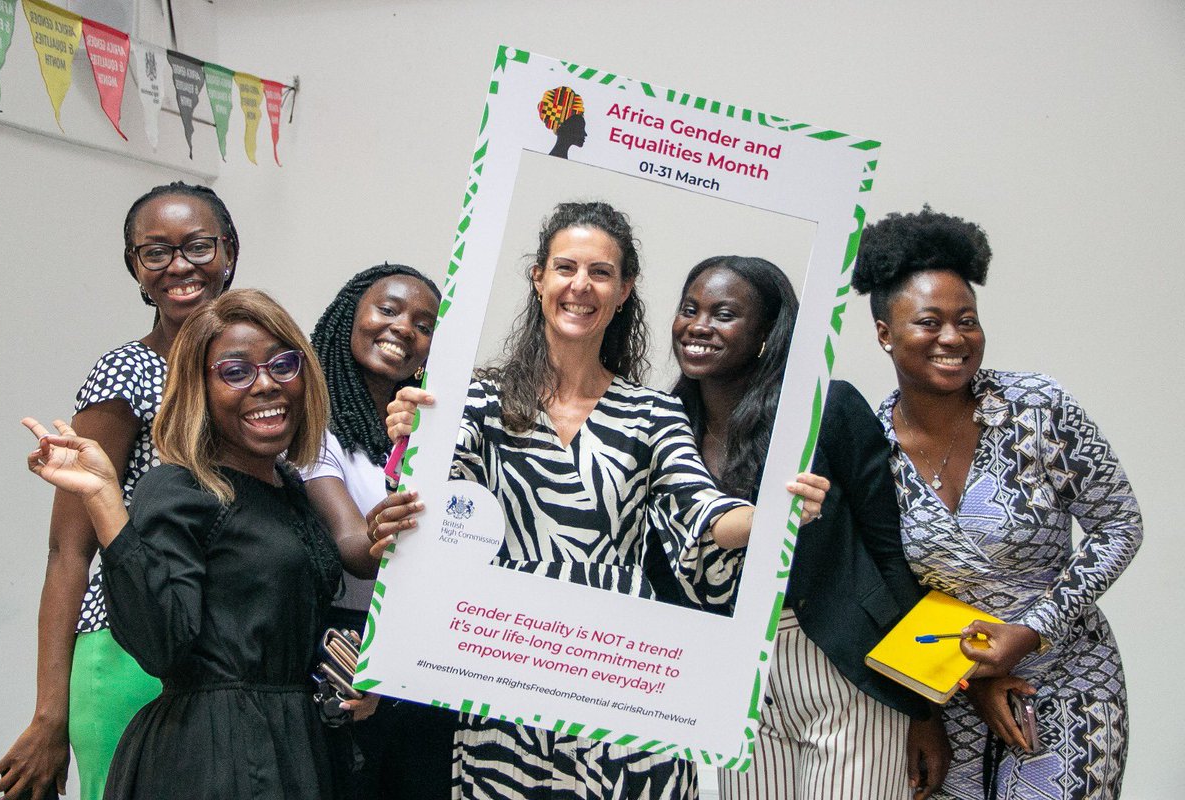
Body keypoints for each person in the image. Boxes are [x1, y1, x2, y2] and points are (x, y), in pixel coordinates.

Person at [376, 202, 829, 799]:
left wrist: (774, 516)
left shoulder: (654, 412)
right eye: (565, 267)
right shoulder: (476, 401)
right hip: (503, 660)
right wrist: (411, 435)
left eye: (601, 273)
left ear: (624, 290)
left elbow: (703, 513)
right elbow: (421, 503)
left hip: (619, 675)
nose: (580, 286)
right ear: (537, 278)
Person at [851, 207, 1142, 800]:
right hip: (948, 695)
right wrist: (937, 701)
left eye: (967, 321)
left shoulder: (1038, 407)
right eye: (929, 322)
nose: (954, 338)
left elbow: (1120, 527)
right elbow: (887, 588)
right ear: (884, 332)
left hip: (1067, 682)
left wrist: (1032, 631)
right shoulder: (869, 445)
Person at [20, 289, 343, 799]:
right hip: (211, 756)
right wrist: (105, 499)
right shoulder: (181, 488)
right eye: (235, 372)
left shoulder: (290, 489)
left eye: (283, 364)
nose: (266, 384)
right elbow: (161, 644)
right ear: (200, 390)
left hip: (290, 741)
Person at [0, 183, 239, 800]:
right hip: (131, 646)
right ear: (135, 267)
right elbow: (68, 552)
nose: (179, 265)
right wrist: (50, 715)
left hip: (235, 649)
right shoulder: (126, 373)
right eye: (155, 252)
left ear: (229, 252)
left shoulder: (265, 371)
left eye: (198, 246)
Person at [669, 255, 946, 800]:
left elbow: (891, 555)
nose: (699, 325)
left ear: (768, 334)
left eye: (724, 314)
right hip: (735, 677)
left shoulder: (828, 406)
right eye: (689, 309)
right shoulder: (662, 421)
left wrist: (924, 705)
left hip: (844, 666)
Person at [306, 263, 457, 798]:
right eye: (387, 310)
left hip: (428, 651)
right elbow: (352, 547)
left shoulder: (439, 436)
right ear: (351, 315)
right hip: (345, 650)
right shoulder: (311, 426)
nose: (403, 329)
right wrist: (385, 533)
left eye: (424, 324)